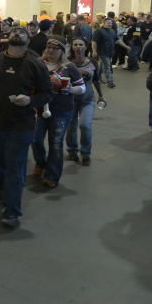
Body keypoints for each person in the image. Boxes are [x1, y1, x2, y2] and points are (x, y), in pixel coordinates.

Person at [0, 25, 52, 228]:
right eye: (14, 31)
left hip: (21, 125)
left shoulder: (35, 64)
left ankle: (12, 211)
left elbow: (47, 94)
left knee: (15, 166)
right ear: (7, 37)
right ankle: (2, 191)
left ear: (28, 39)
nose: (18, 33)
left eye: (22, 32)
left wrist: (30, 101)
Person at [32, 36, 84, 189]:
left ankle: (52, 175)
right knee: (35, 139)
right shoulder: (38, 64)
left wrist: (69, 89)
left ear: (62, 51)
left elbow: (82, 88)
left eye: (55, 48)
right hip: (39, 109)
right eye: (48, 47)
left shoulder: (69, 67)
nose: (51, 50)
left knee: (55, 143)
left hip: (61, 110)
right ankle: (40, 163)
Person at [65, 37, 103, 166]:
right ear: (72, 47)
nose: (78, 47)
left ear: (85, 47)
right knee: (71, 127)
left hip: (87, 100)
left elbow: (96, 80)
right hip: (70, 100)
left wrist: (101, 96)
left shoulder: (92, 62)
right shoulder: (66, 63)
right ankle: (72, 150)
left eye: (81, 44)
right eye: (75, 44)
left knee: (85, 125)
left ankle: (85, 153)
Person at [93, 18, 116, 88]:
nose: (110, 24)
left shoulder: (112, 31)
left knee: (102, 66)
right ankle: (110, 82)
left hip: (110, 52)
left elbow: (117, 40)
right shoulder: (98, 31)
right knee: (107, 67)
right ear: (103, 23)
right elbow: (94, 42)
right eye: (108, 22)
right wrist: (94, 51)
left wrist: (126, 46)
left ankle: (97, 78)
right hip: (102, 52)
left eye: (110, 22)